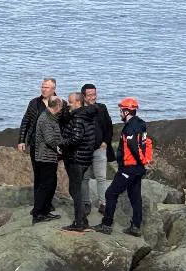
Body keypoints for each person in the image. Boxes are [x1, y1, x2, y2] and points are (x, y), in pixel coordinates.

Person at [92, 97, 150, 237]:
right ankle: (135, 227)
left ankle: (106, 224)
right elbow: (145, 143)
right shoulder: (140, 124)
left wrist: (140, 162)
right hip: (137, 169)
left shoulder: (130, 128)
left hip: (129, 168)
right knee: (135, 197)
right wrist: (143, 164)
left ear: (126, 111)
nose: (119, 113)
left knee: (110, 194)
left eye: (121, 110)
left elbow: (134, 148)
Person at [60, 92, 100, 232]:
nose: (69, 104)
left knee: (75, 191)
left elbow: (76, 138)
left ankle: (79, 223)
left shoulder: (78, 118)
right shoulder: (88, 117)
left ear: (78, 102)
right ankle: (83, 220)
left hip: (76, 159)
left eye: (71, 102)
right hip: (85, 158)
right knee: (77, 190)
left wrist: (62, 143)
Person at [31, 96, 65, 223]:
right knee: (45, 186)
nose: (62, 108)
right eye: (61, 106)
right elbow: (50, 139)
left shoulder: (51, 117)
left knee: (51, 184)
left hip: (49, 158)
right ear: (57, 106)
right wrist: (61, 148)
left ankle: (45, 211)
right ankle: (38, 213)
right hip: (44, 158)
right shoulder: (45, 118)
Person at [81, 84, 114, 216]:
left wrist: (105, 141)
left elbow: (109, 127)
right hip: (84, 150)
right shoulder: (79, 110)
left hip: (100, 148)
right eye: (89, 95)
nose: (93, 97)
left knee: (101, 177)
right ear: (83, 96)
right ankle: (86, 203)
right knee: (84, 178)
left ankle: (103, 203)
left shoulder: (102, 108)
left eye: (94, 94)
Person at [17, 77, 57, 165]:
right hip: (35, 143)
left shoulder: (60, 103)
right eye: (42, 87)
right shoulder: (34, 102)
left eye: (46, 88)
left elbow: (65, 124)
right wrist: (21, 141)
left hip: (52, 145)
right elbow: (25, 122)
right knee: (37, 173)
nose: (43, 90)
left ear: (53, 89)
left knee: (50, 173)